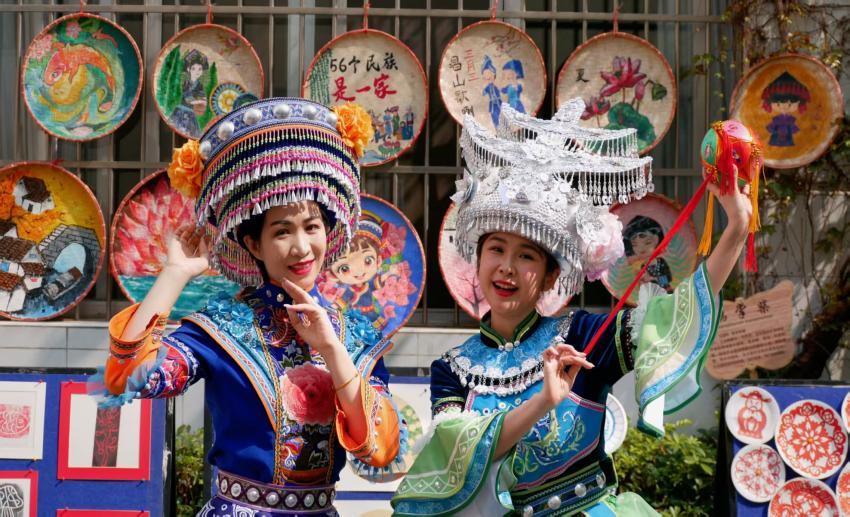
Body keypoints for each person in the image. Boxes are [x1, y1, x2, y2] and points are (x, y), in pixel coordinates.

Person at [392, 110, 751, 516]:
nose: (507, 267)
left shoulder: (582, 336)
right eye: (496, 249)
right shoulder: (453, 369)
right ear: (477, 261)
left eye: (526, 256)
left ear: (550, 277)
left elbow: (670, 317)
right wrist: (545, 400)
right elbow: (456, 453)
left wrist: (736, 228)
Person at [90, 98, 406, 516]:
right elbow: (127, 378)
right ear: (254, 245)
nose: (301, 247)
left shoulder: (356, 336)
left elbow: (380, 451)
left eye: (312, 227)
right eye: (282, 232)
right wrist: (174, 274)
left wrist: (331, 349)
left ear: (328, 232)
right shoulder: (222, 326)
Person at [622, 215, 673, 293]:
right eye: (635, 245)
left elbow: (668, 277)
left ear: (657, 241)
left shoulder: (660, 262)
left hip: (664, 293)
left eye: (648, 243)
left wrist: (655, 279)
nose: (641, 249)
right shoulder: (643, 267)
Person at [761, 71, 810, 147]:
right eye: (778, 104)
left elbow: (793, 128)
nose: (784, 107)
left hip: (787, 137)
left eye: (790, 104)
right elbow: (771, 127)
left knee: (787, 140)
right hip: (776, 136)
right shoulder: (777, 119)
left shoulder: (790, 119)